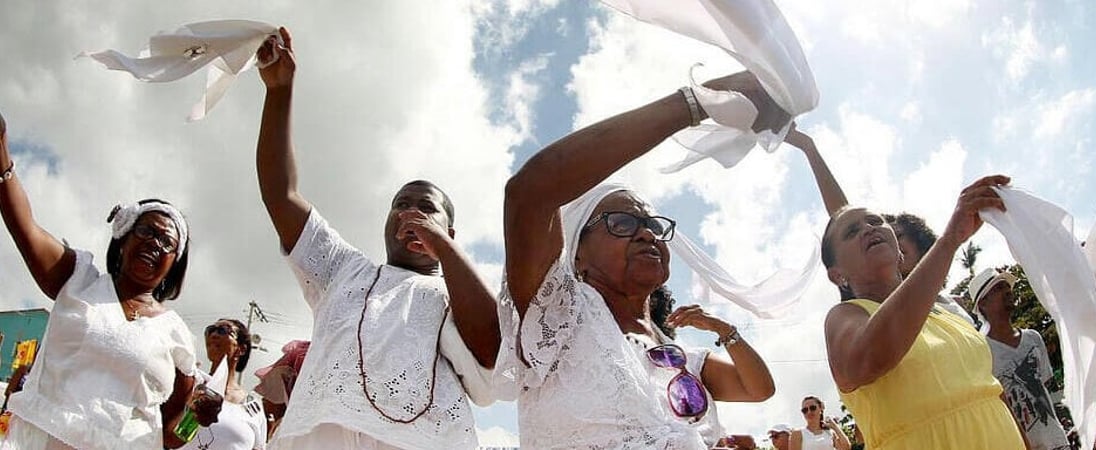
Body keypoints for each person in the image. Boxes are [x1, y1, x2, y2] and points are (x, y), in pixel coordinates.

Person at [501, 70, 778, 448]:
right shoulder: (560, 316)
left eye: (652, 225)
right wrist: (696, 102)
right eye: (622, 221)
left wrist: (723, 330)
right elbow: (530, 192)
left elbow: (758, 389)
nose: (646, 232)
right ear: (577, 253)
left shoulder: (682, 356)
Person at [254, 28, 499, 450]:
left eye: (426, 207)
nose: (410, 212)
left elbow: (492, 358)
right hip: (315, 437)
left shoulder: (452, 293)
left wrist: (447, 253)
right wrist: (279, 90)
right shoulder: (342, 269)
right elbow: (282, 195)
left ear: (451, 234)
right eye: (401, 203)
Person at [0, 111, 221, 449]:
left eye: (167, 243)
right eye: (146, 231)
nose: (154, 243)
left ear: (174, 264)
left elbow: (172, 436)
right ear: (123, 236)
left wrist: (198, 418)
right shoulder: (77, 279)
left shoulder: (176, 335)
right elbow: (26, 227)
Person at [820, 174, 1029, 449]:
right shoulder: (845, 316)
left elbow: (994, 392)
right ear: (837, 275)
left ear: (899, 248)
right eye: (851, 232)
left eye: (875, 221)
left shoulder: (946, 313)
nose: (868, 229)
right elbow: (868, 359)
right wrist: (950, 240)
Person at [786, 128, 975, 324]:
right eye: (854, 231)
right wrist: (809, 148)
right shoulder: (869, 314)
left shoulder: (953, 308)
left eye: (898, 235)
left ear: (922, 245)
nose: (872, 232)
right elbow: (843, 215)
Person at [971, 268, 1072, 450]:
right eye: (999, 288)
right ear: (983, 304)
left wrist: (1064, 426)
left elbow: (1047, 388)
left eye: (1007, 286)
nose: (1008, 291)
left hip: (1057, 442)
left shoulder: (1033, 338)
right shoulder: (981, 352)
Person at [181, 319, 266, 450]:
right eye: (210, 330)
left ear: (241, 348)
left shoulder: (254, 408)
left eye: (223, 331)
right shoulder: (191, 383)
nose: (214, 335)